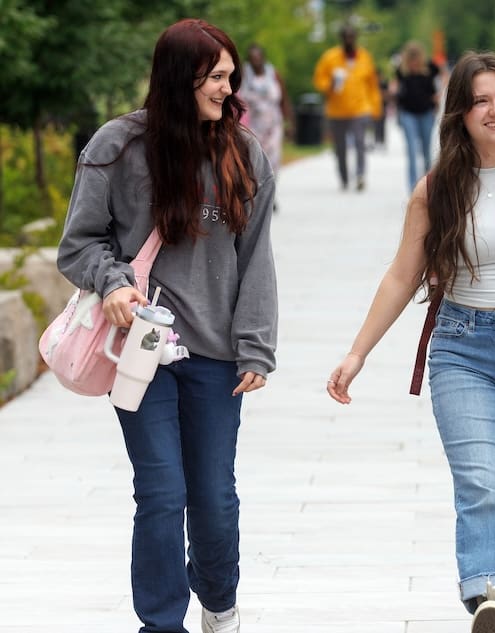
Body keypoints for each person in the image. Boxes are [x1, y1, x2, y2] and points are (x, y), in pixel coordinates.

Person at [326, 50, 495, 633]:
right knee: (480, 480)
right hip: (461, 346)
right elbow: (402, 274)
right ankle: (489, 595)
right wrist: (357, 352)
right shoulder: (437, 187)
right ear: (461, 115)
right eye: (480, 102)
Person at [55, 18, 277, 633]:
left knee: (212, 499)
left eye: (231, 76)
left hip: (214, 356)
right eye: (216, 77)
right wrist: (114, 281)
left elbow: (255, 257)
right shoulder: (117, 147)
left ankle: (219, 599)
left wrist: (256, 347)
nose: (229, 90)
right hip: (138, 354)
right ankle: (160, 623)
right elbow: (77, 245)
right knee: (159, 493)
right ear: (181, 78)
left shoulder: (244, 153)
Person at [313, 25, 382, 191]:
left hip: (360, 109)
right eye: (346, 37)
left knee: (360, 142)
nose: (349, 40)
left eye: (352, 37)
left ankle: (360, 175)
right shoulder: (330, 58)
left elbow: (372, 85)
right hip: (337, 110)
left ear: (356, 38)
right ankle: (344, 177)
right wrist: (329, 85)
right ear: (342, 39)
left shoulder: (365, 57)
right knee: (340, 147)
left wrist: (376, 107)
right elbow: (318, 79)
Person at [238, 43, 293, 201]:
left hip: (273, 125)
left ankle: (270, 195)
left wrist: (289, 123)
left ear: (263, 57)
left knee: (273, 160)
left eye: (258, 57)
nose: (255, 61)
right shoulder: (244, 75)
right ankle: (256, 195)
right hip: (252, 125)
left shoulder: (273, 74)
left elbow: (284, 100)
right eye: (252, 58)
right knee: (254, 160)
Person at [390, 40, 443, 192]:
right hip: (408, 113)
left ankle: (427, 183)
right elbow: (396, 84)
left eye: (416, 59)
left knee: (427, 150)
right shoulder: (401, 70)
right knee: (412, 149)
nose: (413, 63)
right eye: (410, 59)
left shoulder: (430, 68)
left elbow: (443, 76)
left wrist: (439, 95)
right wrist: (393, 91)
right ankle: (413, 186)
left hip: (426, 112)